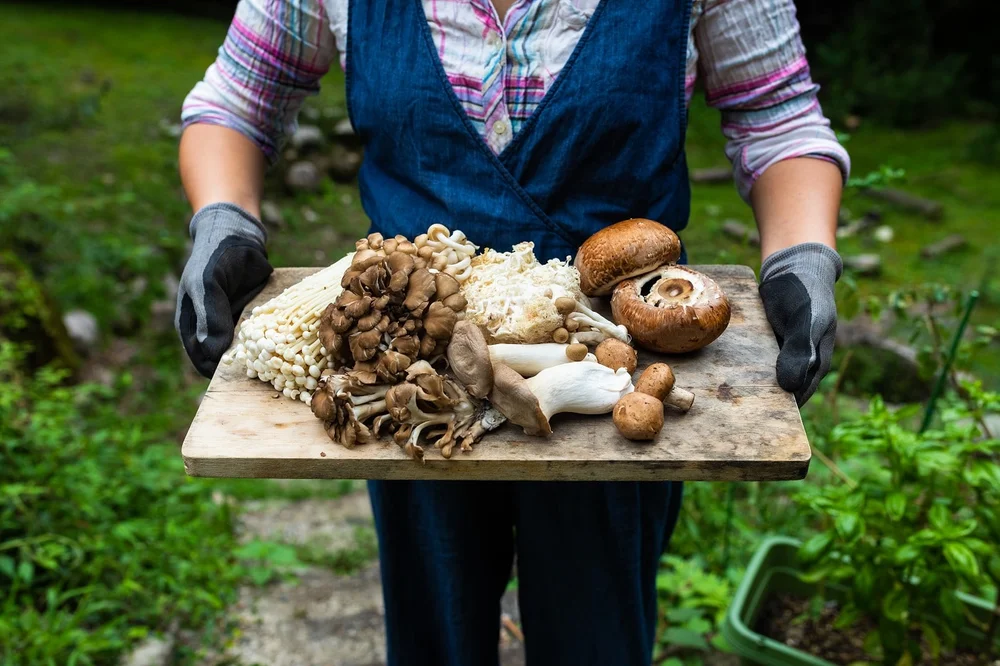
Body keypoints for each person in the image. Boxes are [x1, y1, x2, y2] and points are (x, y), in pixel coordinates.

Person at [174, 1, 850, 663]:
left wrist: (801, 254)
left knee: (598, 635)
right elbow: (237, 102)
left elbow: (776, 116)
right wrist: (224, 220)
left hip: (611, 374)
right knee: (433, 625)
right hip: (413, 368)